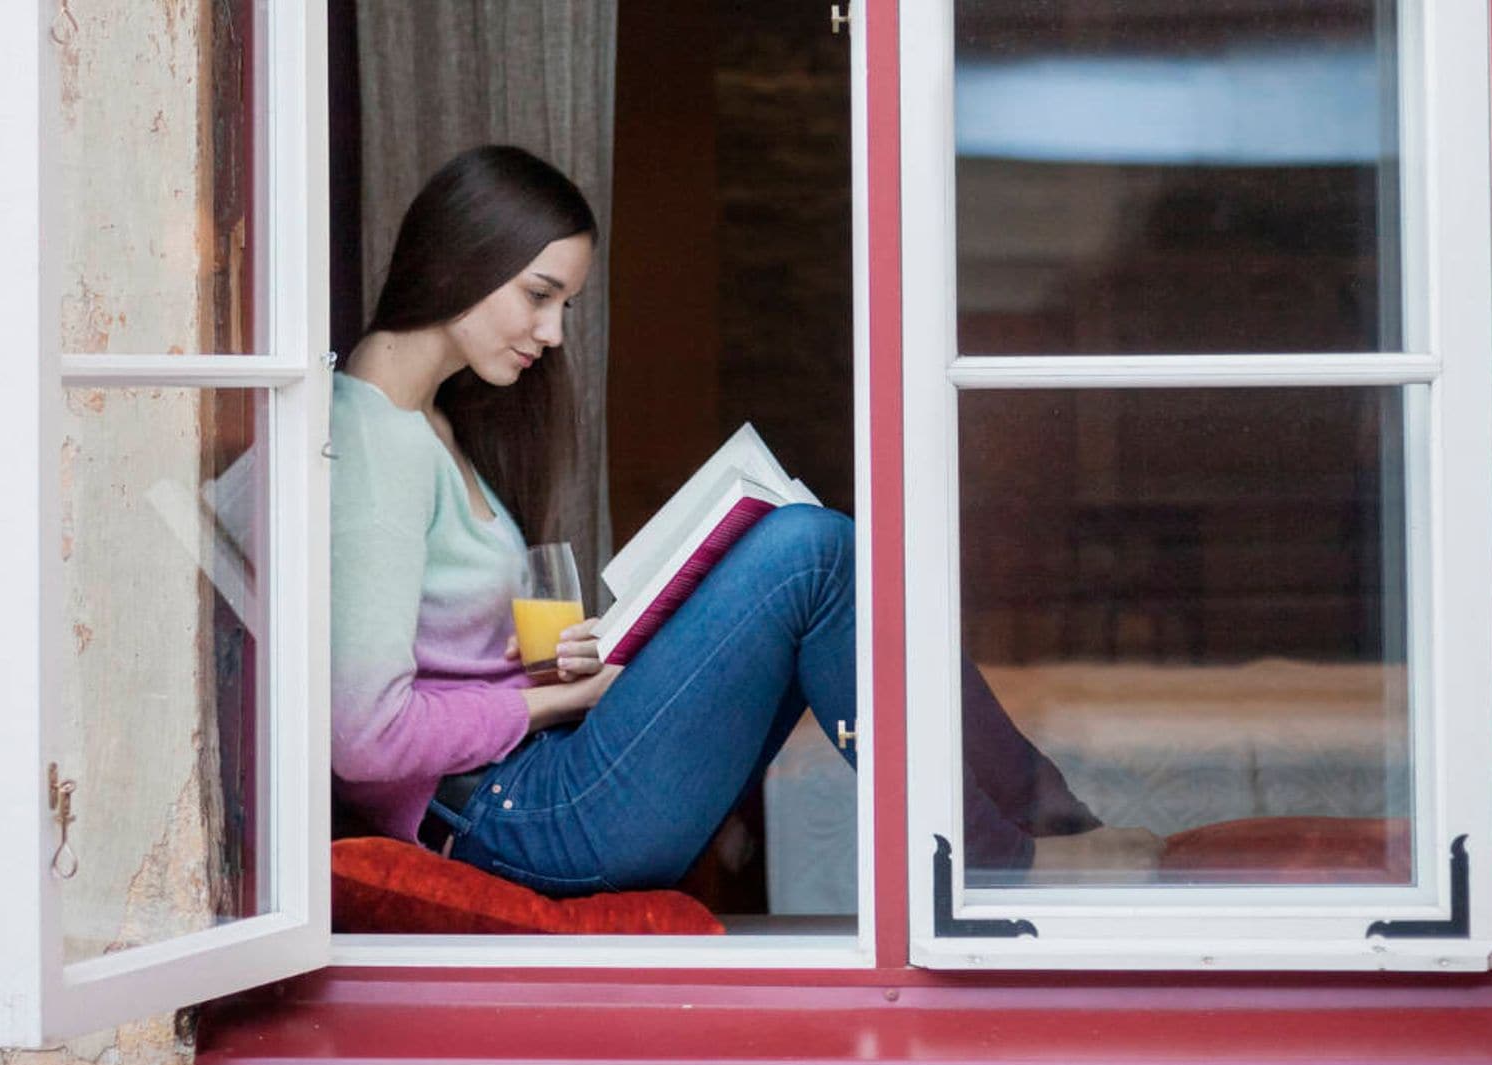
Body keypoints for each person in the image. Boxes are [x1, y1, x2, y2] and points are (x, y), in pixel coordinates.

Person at [329, 145, 1161, 899]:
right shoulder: (376, 445)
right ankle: (1019, 848)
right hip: (510, 817)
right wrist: (553, 702)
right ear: (459, 258)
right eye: (539, 297)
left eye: (567, 308)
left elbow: (441, 657)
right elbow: (365, 740)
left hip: (532, 785)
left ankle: (1031, 831)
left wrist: (563, 662)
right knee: (809, 551)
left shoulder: (425, 422)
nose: (551, 334)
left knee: (812, 558)